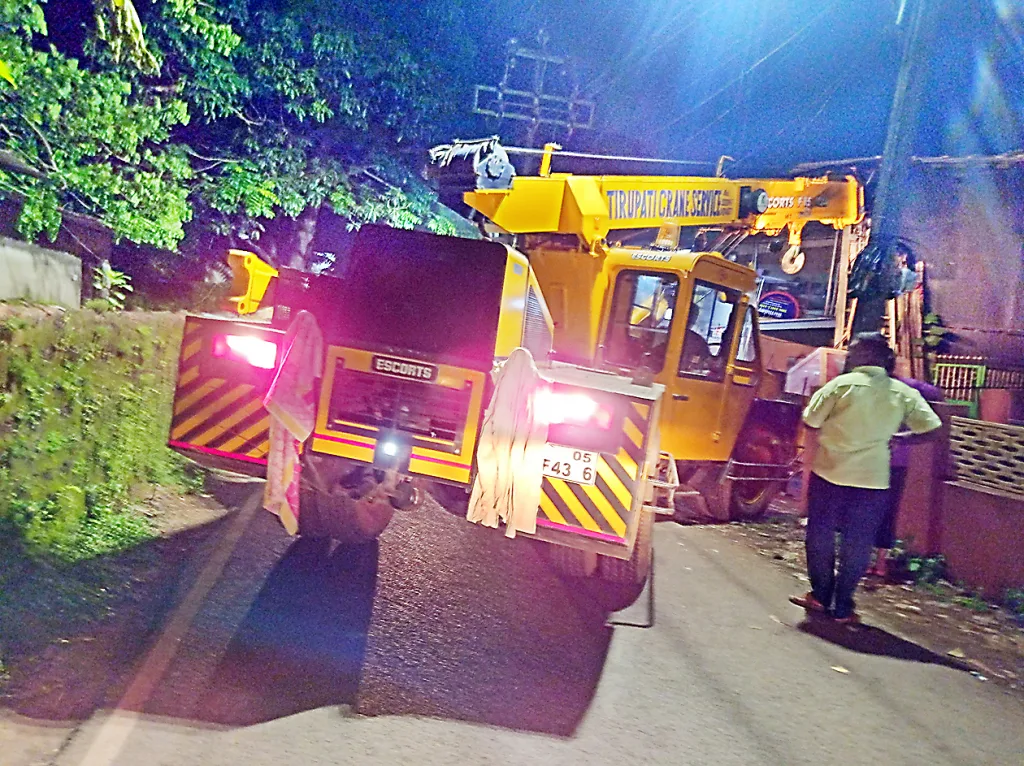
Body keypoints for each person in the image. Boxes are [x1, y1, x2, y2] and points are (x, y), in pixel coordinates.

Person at [790, 333, 942, 624]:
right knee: (858, 543)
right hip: (873, 481)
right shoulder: (902, 392)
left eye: (852, 351)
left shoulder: (839, 386)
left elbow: (811, 421)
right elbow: (933, 429)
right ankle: (843, 608)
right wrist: (900, 438)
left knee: (820, 536)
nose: (848, 355)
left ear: (861, 356)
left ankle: (821, 596)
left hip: (829, 474)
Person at [867, 372, 945, 579]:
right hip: (895, 461)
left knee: (869, 511)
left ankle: (871, 561)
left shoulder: (874, 390)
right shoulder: (906, 390)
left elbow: (935, 394)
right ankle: (879, 563)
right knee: (887, 512)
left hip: (878, 460)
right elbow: (936, 393)